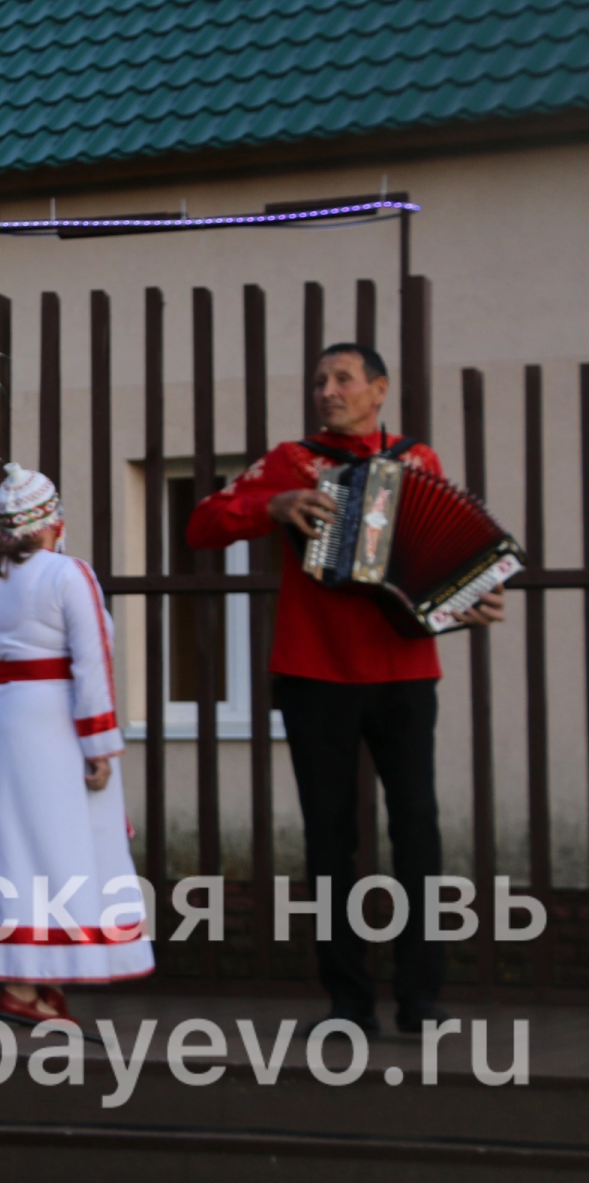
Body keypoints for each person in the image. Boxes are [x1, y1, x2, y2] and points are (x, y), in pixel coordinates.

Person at [187, 342, 505, 1035]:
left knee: (418, 830)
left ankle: (422, 998)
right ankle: (348, 1000)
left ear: (378, 389)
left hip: (404, 672)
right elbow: (202, 523)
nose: (327, 391)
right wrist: (275, 507)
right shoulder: (291, 462)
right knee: (330, 839)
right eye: (319, 380)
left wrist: (470, 599)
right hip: (315, 673)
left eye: (342, 379)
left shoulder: (419, 461)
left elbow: (438, 562)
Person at [0, 464, 154, 1019]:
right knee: (56, 853)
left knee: (5, 849)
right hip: (52, 728)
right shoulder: (68, 575)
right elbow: (92, 663)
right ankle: (27, 985)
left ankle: (18, 974)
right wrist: (100, 744)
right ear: (53, 525)